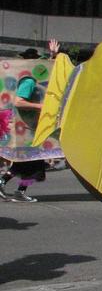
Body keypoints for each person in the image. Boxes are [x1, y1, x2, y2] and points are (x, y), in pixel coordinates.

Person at [0, 40, 59, 202]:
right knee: (35, 167)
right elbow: (19, 102)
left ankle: (8, 185)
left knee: (25, 164)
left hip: (29, 130)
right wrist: (40, 105)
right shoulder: (29, 81)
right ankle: (17, 190)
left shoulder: (31, 78)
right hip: (28, 131)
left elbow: (46, 71)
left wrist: (53, 55)